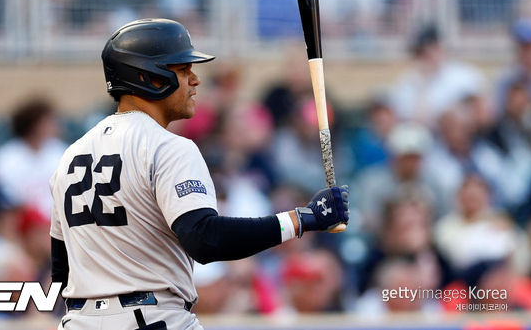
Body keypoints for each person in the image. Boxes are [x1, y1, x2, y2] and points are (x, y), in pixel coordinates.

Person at [49, 18, 350, 330]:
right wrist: (302, 218)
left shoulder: (70, 156)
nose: (195, 81)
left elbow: (61, 269)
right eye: (182, 70)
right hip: (150, 318)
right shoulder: (167, 146)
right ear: (148, 77)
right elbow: (204, 239)